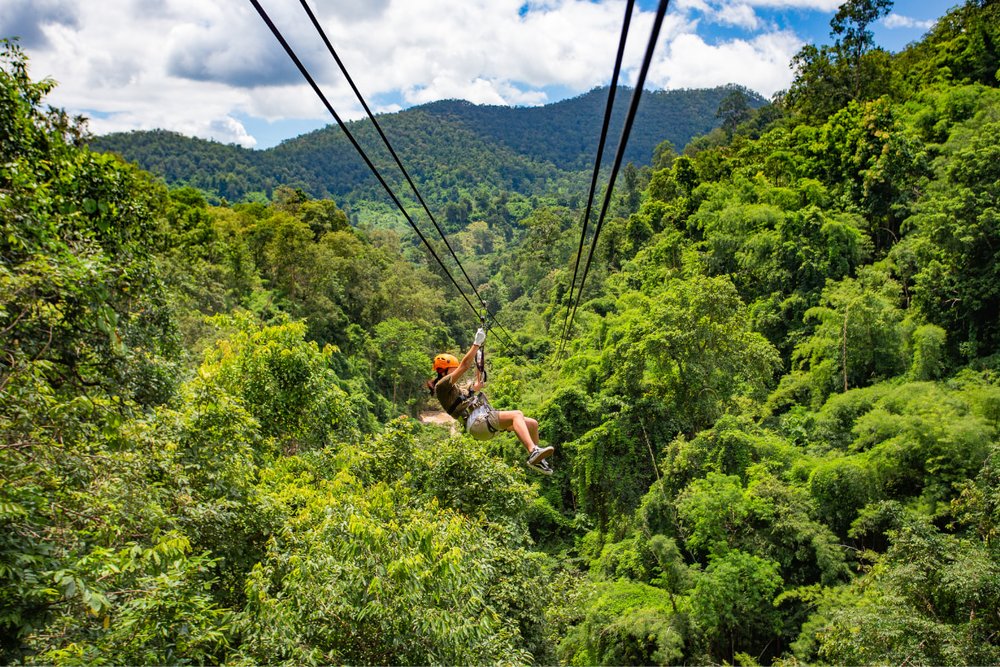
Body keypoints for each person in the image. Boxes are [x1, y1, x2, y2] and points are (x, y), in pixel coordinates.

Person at [427, 327, 554, 475]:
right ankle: (533, 452)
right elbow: (465, 365)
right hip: (478, 422)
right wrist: (476, 343)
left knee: (532, 424)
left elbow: (472, 388)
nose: (455, 372)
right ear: (443, 371)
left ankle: (537, 458)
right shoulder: (441, 386)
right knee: (516, 414)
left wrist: (476, 384)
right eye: (452, 370)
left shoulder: (456, 389)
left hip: (481, 421)